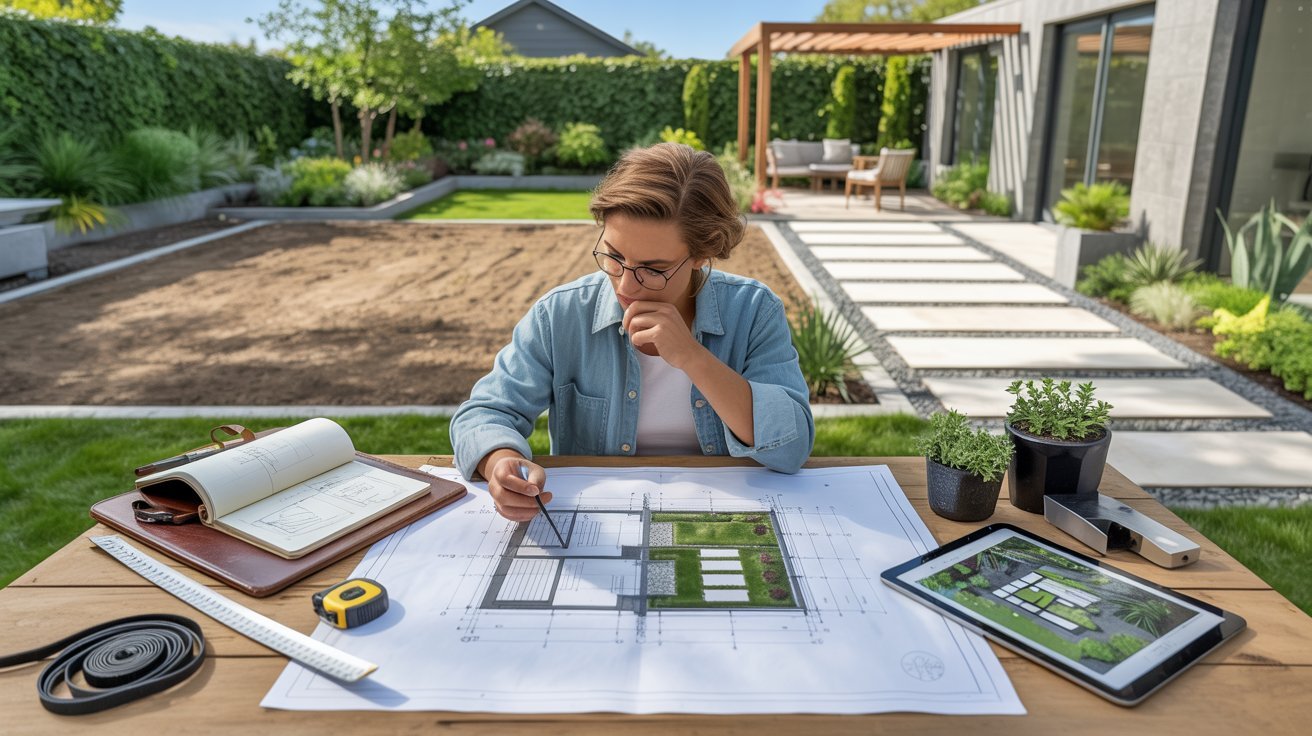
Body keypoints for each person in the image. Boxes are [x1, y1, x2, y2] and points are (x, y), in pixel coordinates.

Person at [450, 142, 814, 521]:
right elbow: (484, 413)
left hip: (725, 519)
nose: (624, 285)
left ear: (702, 254)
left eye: (653, 269)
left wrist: (692, 357)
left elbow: (791, 446)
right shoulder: (560, 314)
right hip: (599, 523)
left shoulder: (754, 310)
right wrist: (500, 462)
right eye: (614, 257)